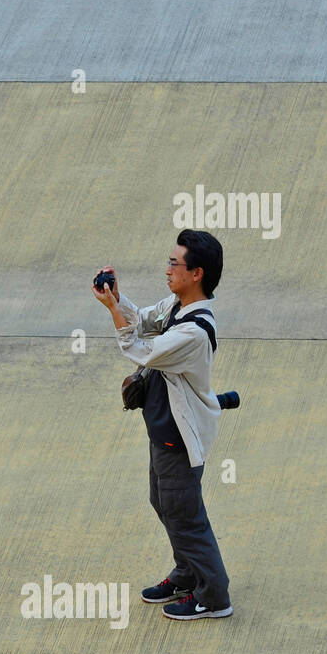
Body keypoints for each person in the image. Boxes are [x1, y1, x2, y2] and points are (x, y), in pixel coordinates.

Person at [92, 229, 232, 620]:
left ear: (197, 273)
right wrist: (118, 300)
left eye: (175, 264)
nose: (167, 269)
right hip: (164, 432)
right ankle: (188, 573)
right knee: (165, 502)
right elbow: (143, 320)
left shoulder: (193, 331)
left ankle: (213, 596)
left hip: (180, 440)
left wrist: (111, 313)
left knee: (185, 515)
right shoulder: (177, 305)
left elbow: (142, 348)